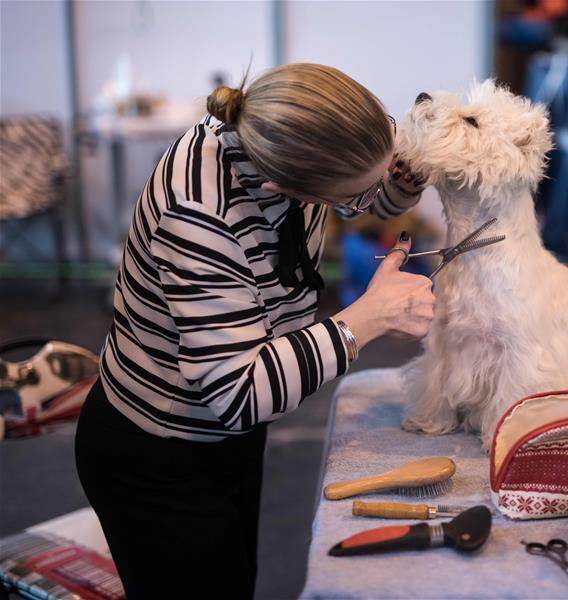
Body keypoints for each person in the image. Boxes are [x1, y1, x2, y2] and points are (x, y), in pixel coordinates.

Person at [74, 63, 436, 599]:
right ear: (284, 187)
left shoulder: (291, 126)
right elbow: (237, 393)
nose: (364, 204)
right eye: (347, 198)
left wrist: (404, 178)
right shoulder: (198, 213)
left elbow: (358, 189)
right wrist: (368, 317)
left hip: (232, 437)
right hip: (160, 452)